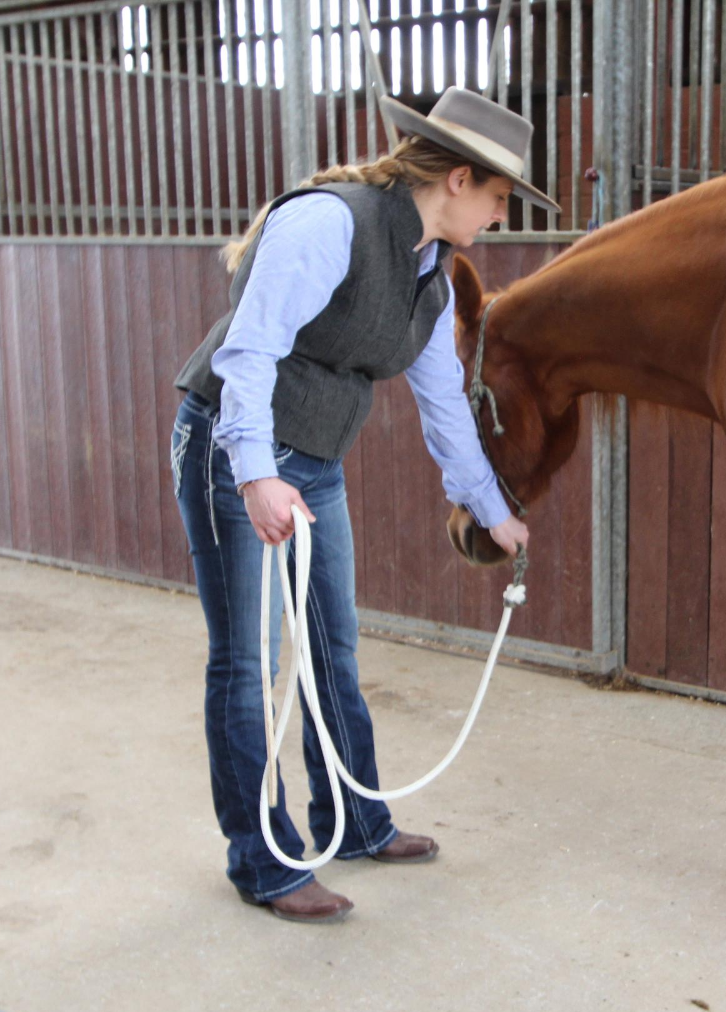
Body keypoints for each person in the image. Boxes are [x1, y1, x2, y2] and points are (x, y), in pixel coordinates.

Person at [171, 88, 560, 924]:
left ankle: (350, 819)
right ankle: (262, 862)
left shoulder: (434, 278)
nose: (499, 218)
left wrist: (488, 505)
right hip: (232, 445)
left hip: (310, 460)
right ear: (458, 179)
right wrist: (251, 472)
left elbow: (445, 406)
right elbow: (250, 351)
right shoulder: (328, 225)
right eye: (498, 199)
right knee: (245, 664)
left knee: (331, 647)